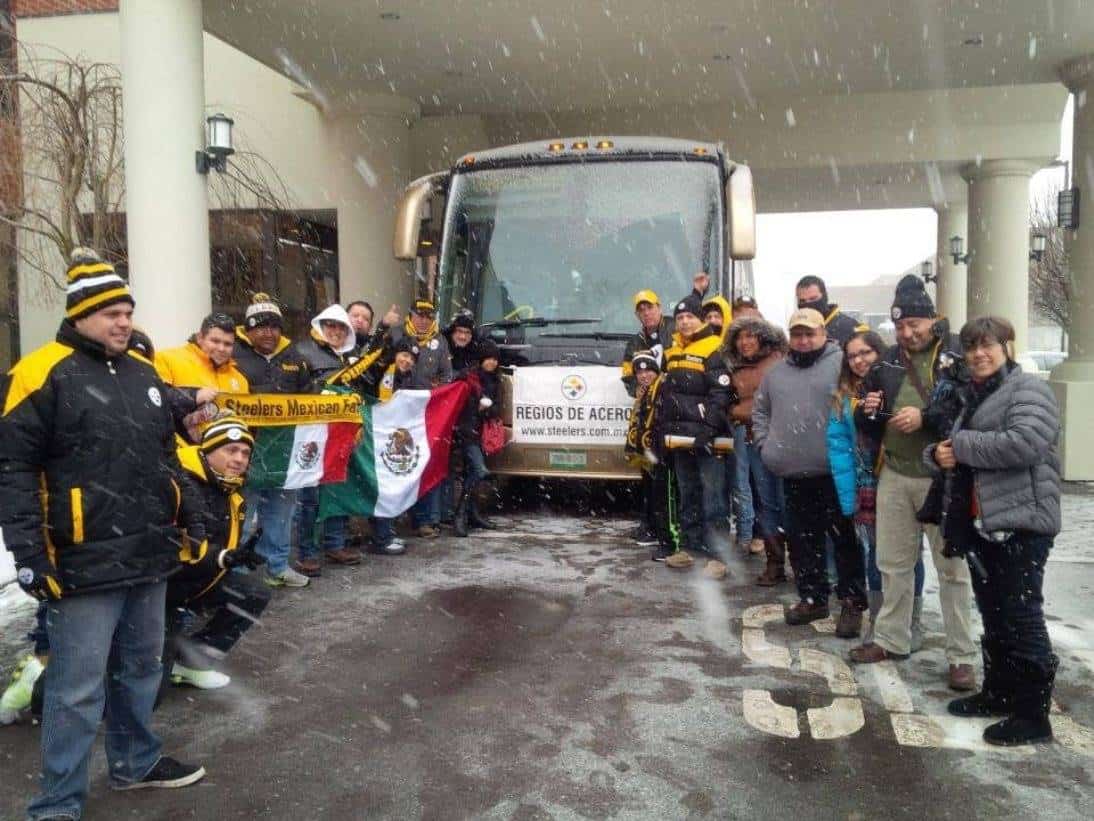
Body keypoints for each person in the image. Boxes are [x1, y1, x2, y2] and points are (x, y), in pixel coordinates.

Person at [0, 248, 205, 819]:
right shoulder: (41, 372)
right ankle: (57, 801)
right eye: (112, 312)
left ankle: (135, 761)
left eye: (128, 312)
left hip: (147, 551)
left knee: (142, 667)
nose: (124, 322)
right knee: (76, 688)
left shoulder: (144, 374)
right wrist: (29, 554)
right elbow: (13, 470)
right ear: (81, 314)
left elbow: (166, 459)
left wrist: (186, 520)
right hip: (80, 560)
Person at [925, 316, 1061, 746]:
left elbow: (1025, 443)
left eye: (988, 345)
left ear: (1007, 347)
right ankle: (999, 693)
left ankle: (1032, 715)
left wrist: (960, 449)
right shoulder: (977, 393)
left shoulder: (1028, 390)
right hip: (985, 524)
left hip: (1022, 523)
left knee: (1022, 617)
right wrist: (938, 454)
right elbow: (957, 446)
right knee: (995, 614)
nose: (978, 354)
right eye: (971, 347)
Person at [849, 277, 979, 693]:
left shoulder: (955, 354)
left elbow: (968, 409)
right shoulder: (886, 361)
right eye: (901, 327)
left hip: (942, 481)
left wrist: (925, 417)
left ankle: (961, 656)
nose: (907, 333)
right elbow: (864, 415)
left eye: (914, 324)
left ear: (932, 319)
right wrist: (868, 411)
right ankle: (891, 639)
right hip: (894, 475)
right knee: (893, 564)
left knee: (952, 570)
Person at [752, 308, 867, 635]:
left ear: (823, 334)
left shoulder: (840, 364)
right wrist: (765, 444)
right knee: (803, 543)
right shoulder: (776, 373)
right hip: (793, 474)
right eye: (797, 334)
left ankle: (851, 602)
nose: (803, 340)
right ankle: (813, 598)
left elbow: (858, 404)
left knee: (845, 541)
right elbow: (761, 411)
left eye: (809, 334)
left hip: (836, 474)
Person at [826, 329, 927, 645]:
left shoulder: (900, 384)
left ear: (879, 352)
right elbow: (838, 447)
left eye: (865, 353)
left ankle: (912, 621)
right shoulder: (843, 396)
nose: (858, 361)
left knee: (909, 554)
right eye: (852, 356)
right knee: (876, 555)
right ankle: (881, 622)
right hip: (865, 483)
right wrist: (848, 495)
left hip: (900, 475)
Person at [165, 415, 270, 691]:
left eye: (245, 453)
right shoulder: (180, 484)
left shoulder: (230, 491)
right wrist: (221, 557)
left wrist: (234, 555)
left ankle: (191, 661)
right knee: (149, 687)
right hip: (164, 586)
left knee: (253, 594)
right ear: (208, 451)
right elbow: (171, 545)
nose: (239, 459)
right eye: (231, 450)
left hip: (200, 579)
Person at [233, 293, 314, 588]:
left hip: (285, 452)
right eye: (261, 326)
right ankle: (234, 573)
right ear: (249, 329)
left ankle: (277, 566)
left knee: (281, 515)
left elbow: (310, 399)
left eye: (274, 326)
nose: (268, 332)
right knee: (242, 515)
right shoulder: (233, 355)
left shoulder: (296, 359)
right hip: (245, 452)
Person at [659, 292, 733, 560]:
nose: (684, 322)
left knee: (713, 496)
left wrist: (709, 427)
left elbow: (721, 393)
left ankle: (719, 556)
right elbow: (667, 395)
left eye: (690, 316)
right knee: (688, 493)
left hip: (707, 438)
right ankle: (689, 548)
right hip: (680, 439)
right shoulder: (673, 351)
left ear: (700, 320)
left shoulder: (715, 347)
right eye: (680, 317)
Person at [293, 304, 366, 575]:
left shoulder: (351, 358)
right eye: (331, 326)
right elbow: (296, 389)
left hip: (340, 436)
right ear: (321, 327)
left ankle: (335, 543)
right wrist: (319, 394)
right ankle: (306, 552)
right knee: (309, 497)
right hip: (311, 434)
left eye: (340, 327)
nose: (335, 331)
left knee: (337, 491)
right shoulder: (302, 352)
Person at [726, 315, 789, 584]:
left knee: (788, 503)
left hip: (785, 442)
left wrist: (740, 412)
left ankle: (803, 563)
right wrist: (734, 411)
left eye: (751, 335)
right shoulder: (734, 368)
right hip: (754, 442)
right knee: (767, 504)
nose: (745, 342)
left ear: (762, 337)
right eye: (740, 337)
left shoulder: (780, 360)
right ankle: (775, 563)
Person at [390, 299, 452, 538]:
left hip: (426, 413)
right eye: (419, 315)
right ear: (411, 315)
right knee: (397, 462)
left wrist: (438, 390)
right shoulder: (398, 335)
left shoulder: (441, 342)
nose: (424, 320)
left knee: (425, 462)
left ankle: (425, 519)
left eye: (428, 316)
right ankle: (392, 519)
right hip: (396, 411)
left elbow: (447, 375)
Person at [624, 350, 678, 561]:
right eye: (639, 372)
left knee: (664, 498)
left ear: (656, 371)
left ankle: (670, 543)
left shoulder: (662, 389)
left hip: (661, 452)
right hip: (650, 453)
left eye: (648, 371)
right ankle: (656, 532)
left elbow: (662, 421)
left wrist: (658, 450)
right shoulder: (645, 392)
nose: (644, 375)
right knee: (652, 493)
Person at [453, 339, 501, 536]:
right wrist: (476, 408)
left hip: (482, 434)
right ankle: (460, 514)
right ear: (481, 359)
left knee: (471, 471)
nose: (491, 363)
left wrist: (487, 410)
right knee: (479, 470)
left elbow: (496, 409)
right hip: (467, 432)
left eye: (494, 359)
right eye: (488, 358)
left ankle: (472, 514)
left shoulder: (495, 381)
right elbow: (460, 404)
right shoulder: (469, 378)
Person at [154, 312, 249, 394]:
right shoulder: (166, 359)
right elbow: (159, 401)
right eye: (215, 341)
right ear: (200, 338)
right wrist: (194, 397)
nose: (221, 348)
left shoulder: (240, 380)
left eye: (227, 344)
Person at [795, 275, 860, 347]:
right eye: (802, 301)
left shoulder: (850, 328)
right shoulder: (796, 330)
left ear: (825, 297)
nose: (808, 304)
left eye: (813, 299)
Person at [446, 310, 480, 376]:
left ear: (472, 335)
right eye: (459, 331)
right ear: (452, 332)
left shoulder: (475, 349)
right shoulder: (439, 347)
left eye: (467, 332)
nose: (463, 337)